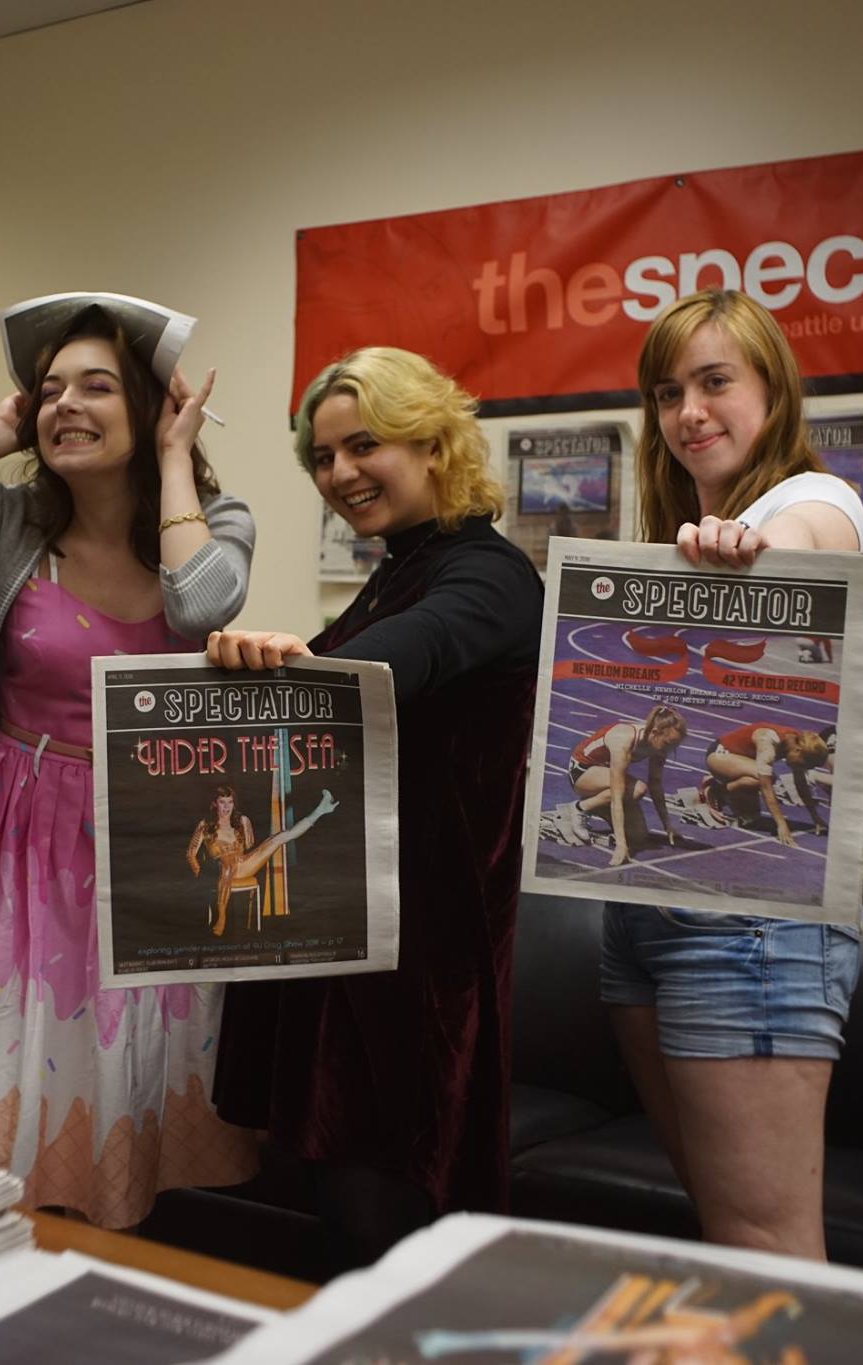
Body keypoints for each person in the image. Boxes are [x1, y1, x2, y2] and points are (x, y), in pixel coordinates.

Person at [0, 300, 258, 1228]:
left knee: (114, 1074)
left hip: (149, 848)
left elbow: (199, 608)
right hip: (9, 840)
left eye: (97, 386)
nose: (66, 403)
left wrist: (171, 458)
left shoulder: (216, 518)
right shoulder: (9, 525)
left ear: (153, 406)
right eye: (51, 389)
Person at [204, 347, 542, 1266]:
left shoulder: (490, 574)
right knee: (339, 1223)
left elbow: (407, 656)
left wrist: (305, 664)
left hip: (420, 975)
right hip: (351, 944)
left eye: (365, 446)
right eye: (322, 457)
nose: (341, 473)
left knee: (384, 1228)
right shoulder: (402, 564)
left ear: (433, 443)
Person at [604, 289, 863, 1261]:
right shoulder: (682, 533)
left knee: (764, 1242)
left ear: (771, 391)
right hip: (643, 904)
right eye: (666, 391)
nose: (687, 412)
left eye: (715, 381)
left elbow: (804, 541)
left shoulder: (809, 503)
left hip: (752, 916)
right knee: (722, 1240)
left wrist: (750, 549)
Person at [186, 785, 339, 937]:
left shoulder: (240, 821)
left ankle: (321, 810)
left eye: (230, 802)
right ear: (214, 803)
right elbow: (190, 854)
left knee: (279, 837)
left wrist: (246, 825)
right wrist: (200, 875)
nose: (226, 807)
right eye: (222, 802)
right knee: (227, 862)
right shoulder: (205, 825)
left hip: (243, 865)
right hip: (220, 868)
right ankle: (222, 916)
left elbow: (249, 846)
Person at [561, 705, 688, 866]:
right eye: (669, 743)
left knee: (637, 836)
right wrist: (621, 846)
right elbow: (616, 793)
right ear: (655, 732)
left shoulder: (658, 745)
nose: (671, 749)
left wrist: (668, 826)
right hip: (581, 772)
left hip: (603, 772)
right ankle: (580, 807)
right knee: (638, 789)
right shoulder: (623, 740)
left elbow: (655, 784)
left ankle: (598, 807)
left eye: (675, 745)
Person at [698, 719, 831, 847]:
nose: (803, 768)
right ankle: (716, 791)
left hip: (743, 761)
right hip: (719, 755)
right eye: (804, 764)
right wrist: (781, 824)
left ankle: (723, 789)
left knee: (750, 819)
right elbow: (765, 787)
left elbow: (801, 784)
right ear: (797, 751)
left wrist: (816, 818)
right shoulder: (768, 743)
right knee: (765, 778)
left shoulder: (797, 743)